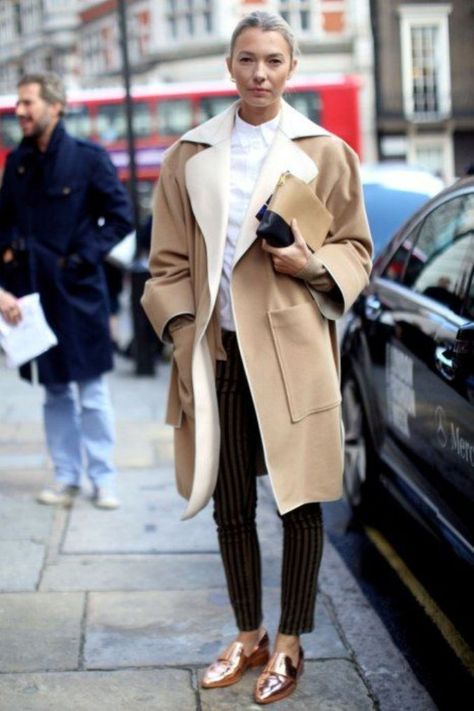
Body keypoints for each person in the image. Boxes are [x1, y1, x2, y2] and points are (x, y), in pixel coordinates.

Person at [142, 11, 372, 705]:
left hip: (294, 349)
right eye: (247, 59)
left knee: (300, 500)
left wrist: (309, 263)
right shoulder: (190, 154)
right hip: (216, 351)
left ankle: (293, 641)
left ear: (291, 67)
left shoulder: (326, 151)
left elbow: (356, 249)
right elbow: (167, 265)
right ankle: (250, 634)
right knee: (230, 501)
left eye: (273, 59)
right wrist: (183, 332)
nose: (260, 72)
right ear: (230, 66)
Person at [0, 72, 132, 510]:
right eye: (18, 104)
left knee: (91, 391)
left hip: (78, 293)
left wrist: (81, 258)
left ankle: (103, 478)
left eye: (27, 103)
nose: (19, 111)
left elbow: (119, 217)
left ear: (55, 107)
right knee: (54, 391)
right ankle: (65, 477)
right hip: (31, 297)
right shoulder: (17, 164)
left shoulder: (89, 158)